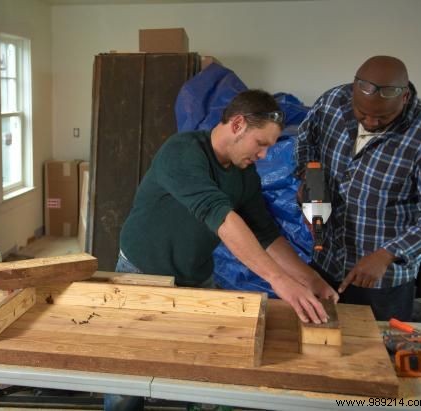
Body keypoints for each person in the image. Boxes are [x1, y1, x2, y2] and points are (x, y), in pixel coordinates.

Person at [105, 90, 338, 411]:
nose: (265, 155)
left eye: (270, 146)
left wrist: (308, 278)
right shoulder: (183, 152)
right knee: (126, 371)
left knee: (205, 367)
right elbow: (222, 219)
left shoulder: (244, 175)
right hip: (142, 271)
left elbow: (267, 234)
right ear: (238, 124)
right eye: (261, 144)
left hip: (195, 272)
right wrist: (278, 280)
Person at [295, 56, 421, 321]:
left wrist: (388, 254)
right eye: (362, 114)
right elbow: (308, 142)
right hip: (326, 262)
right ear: (352, 91)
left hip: (382, 283)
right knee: (320, 342)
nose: (371, 122)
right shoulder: (332, 103)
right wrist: (311, 184)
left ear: (405, 97)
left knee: (380, 352)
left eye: (383, 116)